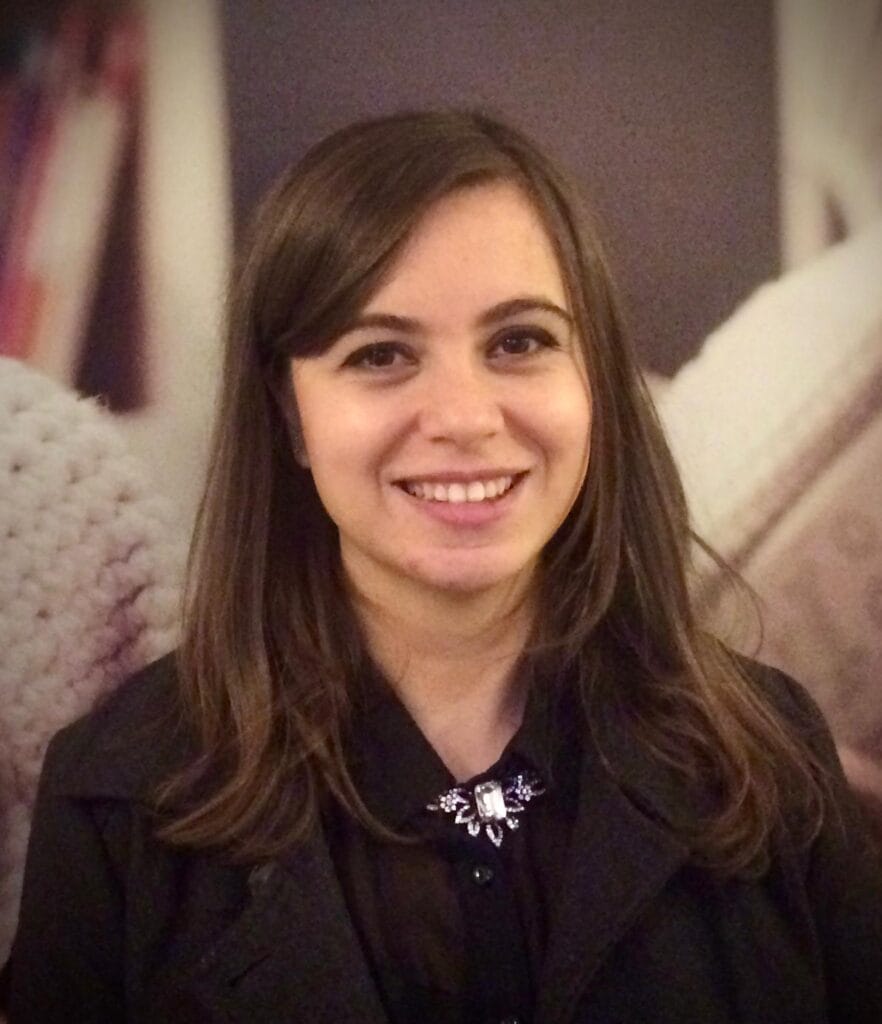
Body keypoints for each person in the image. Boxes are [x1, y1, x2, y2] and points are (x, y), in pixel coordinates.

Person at [5, 109, 882, 1023]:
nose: (464, 417)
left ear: (594, 382)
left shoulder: (776, 756)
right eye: (381, 354)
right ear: (291, 417)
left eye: (519, 342)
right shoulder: (117, 799)